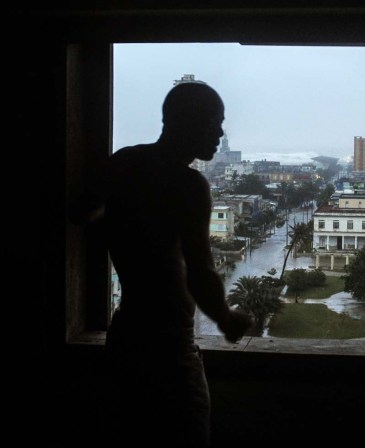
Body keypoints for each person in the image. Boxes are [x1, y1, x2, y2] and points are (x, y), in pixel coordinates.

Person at [69, 81, 253, 447]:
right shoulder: (188, 184)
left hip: (126, 335)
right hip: (168, 344)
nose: (219, 133)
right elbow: (200, 271)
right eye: (214, 121)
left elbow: (82, 213)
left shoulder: (124, 162)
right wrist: (226, 317)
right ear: (187, 121)